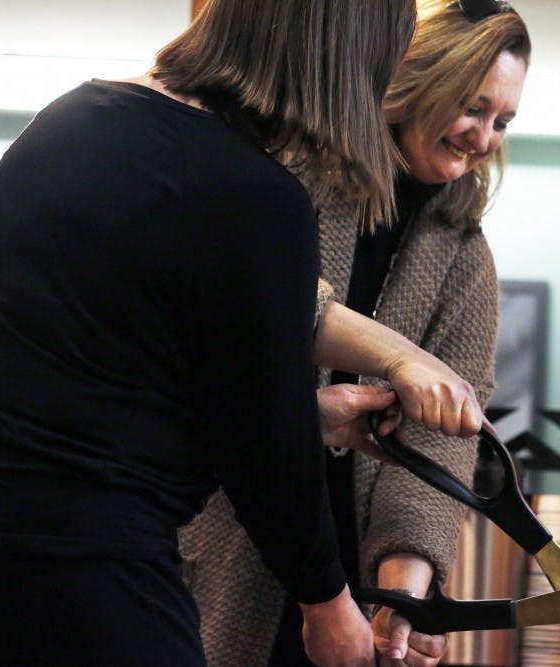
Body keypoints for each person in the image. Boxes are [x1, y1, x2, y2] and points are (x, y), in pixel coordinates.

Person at [0, 1, 491, 665]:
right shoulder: (258, 197)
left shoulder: (71, 118)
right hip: (56, 561)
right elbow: (266, 458)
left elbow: (82, 369)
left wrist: (307, 414)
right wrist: (328, 603)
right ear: (350, 66)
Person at [181, 1, 532, 665]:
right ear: (415, 81)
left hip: (352, 567)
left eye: (502, 121)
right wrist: (397, 362)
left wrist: (404, 594)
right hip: (229, 540)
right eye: (472, 106)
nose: (483, 136)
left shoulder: (466, 258)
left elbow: (439, 447)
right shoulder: (292, 178)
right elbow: (260, 320)